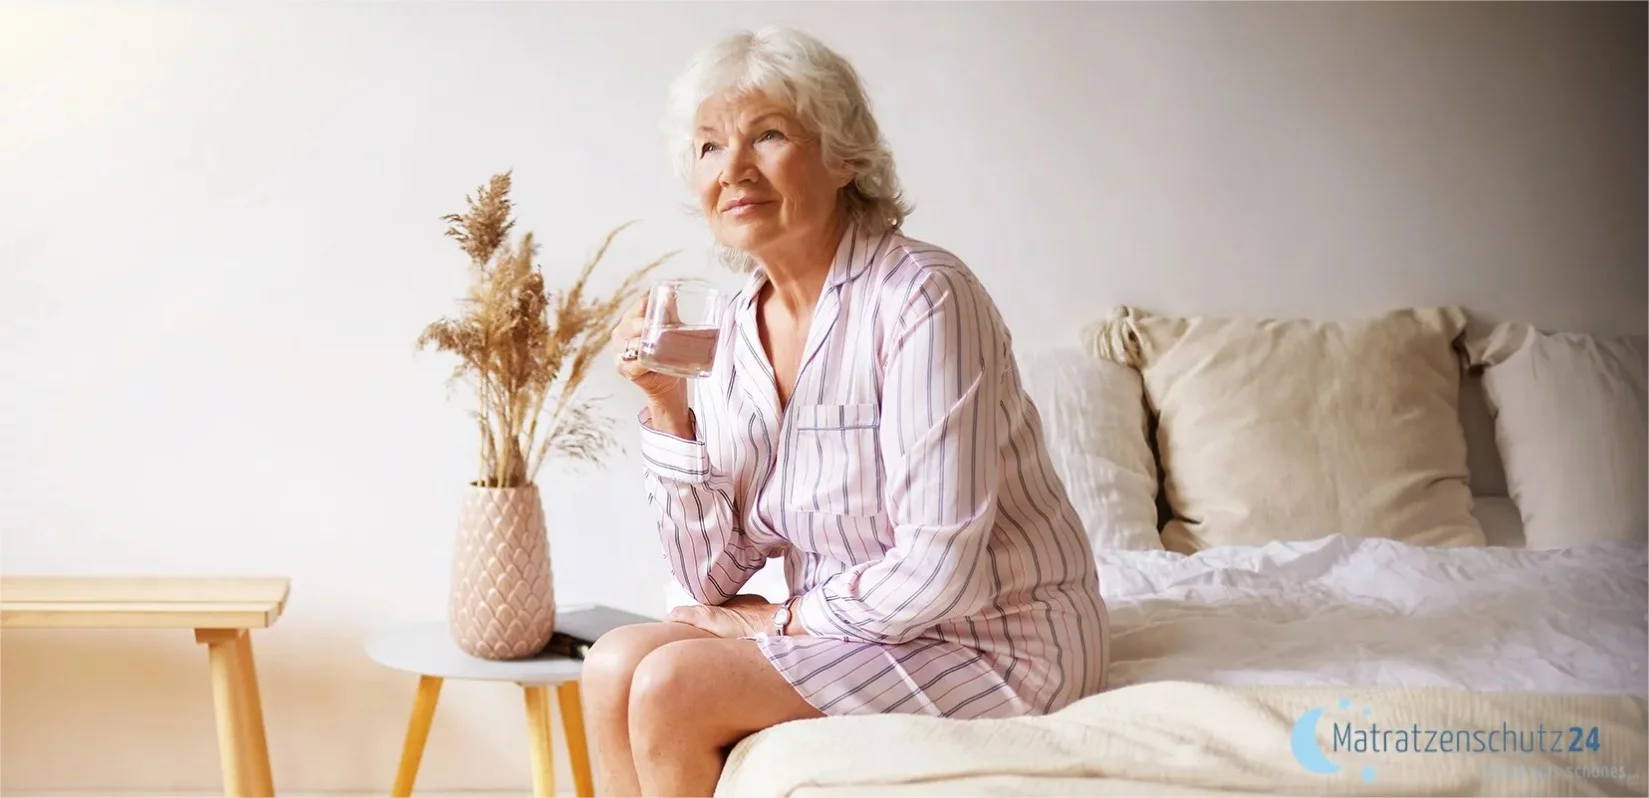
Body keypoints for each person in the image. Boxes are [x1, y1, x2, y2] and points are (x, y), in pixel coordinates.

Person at [585, 25, 1109, 797]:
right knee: (612, 665)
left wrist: (778, 620)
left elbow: (939, 572)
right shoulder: (731, 329)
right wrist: (668, 410)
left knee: (671, 687)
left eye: (766, 135)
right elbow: (710, 578)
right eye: (707, 147)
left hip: (991, 639)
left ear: (843, 157)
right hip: (855, 631)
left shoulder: (922, 298)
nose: (732, 170)